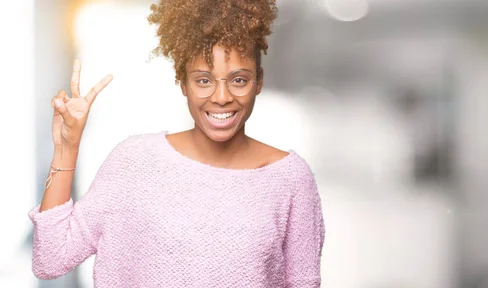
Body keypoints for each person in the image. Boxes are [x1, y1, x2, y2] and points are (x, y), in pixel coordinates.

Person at [28, 0, 325, 287]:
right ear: (182, 83)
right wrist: (67, 147)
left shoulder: (290, 179)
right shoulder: (135, 162)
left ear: (258, 82)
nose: (221, 97)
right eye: (204, 80)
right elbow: (52, 258)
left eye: (238, 79)